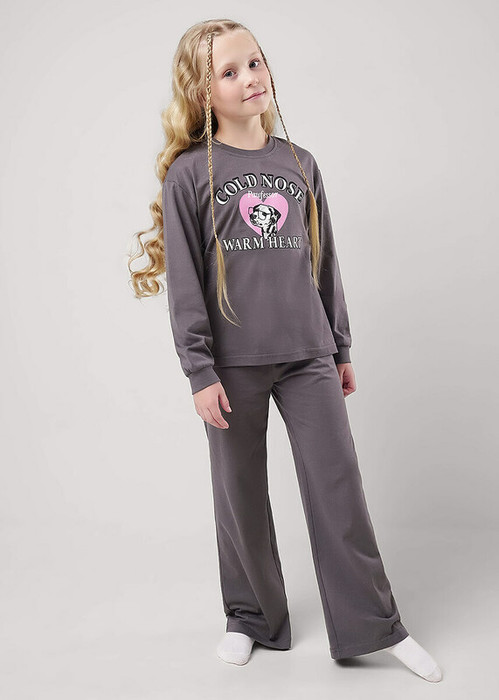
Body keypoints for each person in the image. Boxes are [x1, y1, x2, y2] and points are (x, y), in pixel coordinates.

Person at [128, 18, 442, 683]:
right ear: (203, 92)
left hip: (307, 355)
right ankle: (250, 617)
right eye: (229, 71)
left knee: (338, 486)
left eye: (255, 62)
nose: (250, 78)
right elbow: (185, 284)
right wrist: (199, 370)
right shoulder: (188, 175)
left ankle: (373, 625)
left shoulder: (301, 164)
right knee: (239, 494)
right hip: (231, 365)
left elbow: (324, 261)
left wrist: (340, 345)